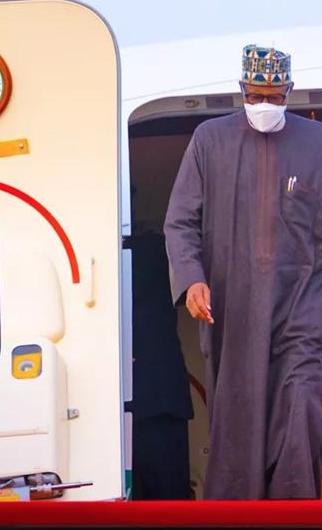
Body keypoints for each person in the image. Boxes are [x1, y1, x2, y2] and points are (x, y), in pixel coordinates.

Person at [164, 44, 322, 500]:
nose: (265, 106)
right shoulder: (209, 140)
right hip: (233, 310)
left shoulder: (319, 142)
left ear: (290, 91)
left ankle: (294, 514)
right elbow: (180, 220)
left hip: (302, 308)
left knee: (300, 409)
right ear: (241, 89)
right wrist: (192, 279)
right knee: (238, 420)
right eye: (256, 95)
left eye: (274, 96)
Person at [127, 212, 194, 500]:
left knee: (168, 500)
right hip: (150, 401)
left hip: (160, 403)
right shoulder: (153, 251)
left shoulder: (156, 250)